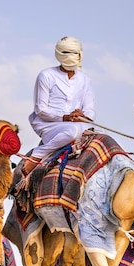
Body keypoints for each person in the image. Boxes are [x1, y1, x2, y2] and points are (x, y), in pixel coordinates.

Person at [22, 36, 96, 175]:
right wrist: (66, 117)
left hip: (79, 124)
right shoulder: (46, 76)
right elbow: (41, 110)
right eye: (67, 53)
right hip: (49, 124)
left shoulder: (84, 79)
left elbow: (90, 109)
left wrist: (83, 116)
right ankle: (38, 154)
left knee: (99, 135)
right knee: (72, 132)